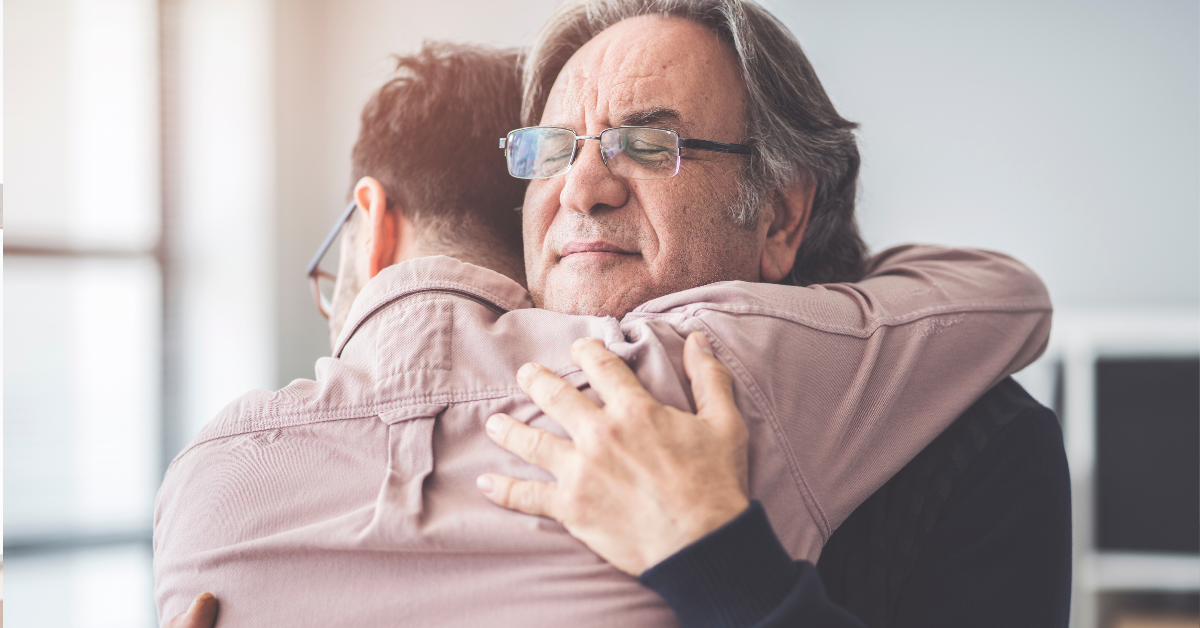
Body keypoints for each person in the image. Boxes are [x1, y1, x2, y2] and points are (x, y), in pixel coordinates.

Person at [156, 9, 1066, 627]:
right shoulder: (460, 430)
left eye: (646, 143)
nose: (581, 189)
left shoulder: (974, 438)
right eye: (553, 150)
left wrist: (717, 557)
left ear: (782, 215)